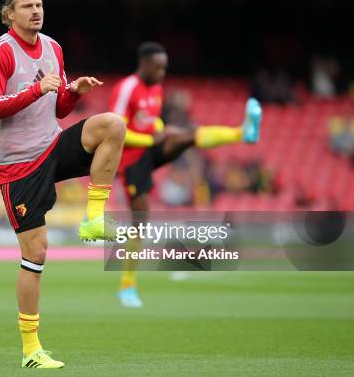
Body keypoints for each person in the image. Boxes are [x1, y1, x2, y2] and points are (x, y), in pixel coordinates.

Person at [0, 0, 125, 369]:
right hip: (19, 166)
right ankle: (31, 350)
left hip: (51, 145)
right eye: (27, 6)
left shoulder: (53, 47)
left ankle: (94, 218)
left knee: (112, 125)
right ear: (9, 14)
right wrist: (36, 88)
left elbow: (58, 109)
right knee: (36, 254)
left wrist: (73, 91)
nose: (36, 11)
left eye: (39, 5)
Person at [110, 41, 262, 308]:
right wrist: (151, 138)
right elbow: (116, 130)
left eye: (164, 68)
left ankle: (243, 132)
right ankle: (127, 286)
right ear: (144, 64)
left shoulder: (156, 88)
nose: (162, 73)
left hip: (150, 149)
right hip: (131, 161)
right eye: (158, 68)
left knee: (189, 134)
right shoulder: (126, 88)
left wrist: (160, 129)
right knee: (140, 222)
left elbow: (148, 120)